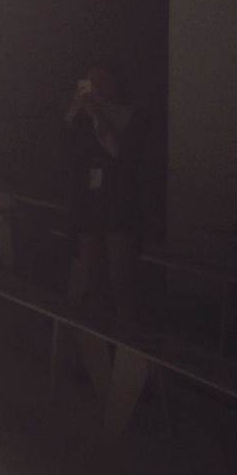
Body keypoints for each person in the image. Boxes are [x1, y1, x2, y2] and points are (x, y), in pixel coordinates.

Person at [64, 63, 145, 321]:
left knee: (123, 287)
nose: (96, 88)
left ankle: (128, 340)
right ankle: (99, 340)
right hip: (89, 203)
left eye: (103, 81)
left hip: (119, 203)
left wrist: (100, 117)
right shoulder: (81, 118)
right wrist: (74, 112)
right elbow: (66, 154)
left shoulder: (130, 117)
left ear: (116, 84)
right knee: (94, 283)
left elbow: (120, 154)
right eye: (91, 83)